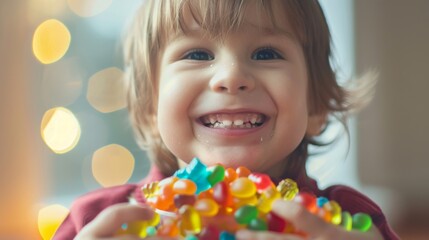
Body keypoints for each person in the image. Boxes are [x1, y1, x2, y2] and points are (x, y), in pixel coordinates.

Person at [54, 0, 400, 239]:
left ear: (316, 106)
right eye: (197, 54)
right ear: (149, 107)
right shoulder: (98, 222)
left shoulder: (352, 223)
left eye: (266, 53)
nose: (232, 76)